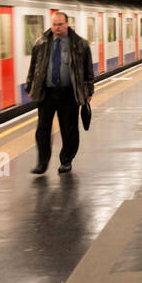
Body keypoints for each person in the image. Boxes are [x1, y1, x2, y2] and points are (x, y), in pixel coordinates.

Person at [25, 11, 94, 174]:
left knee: (69, 129)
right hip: (47, 93)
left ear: (67, 24)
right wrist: (29, 87)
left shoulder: (80, 44)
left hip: (69, 93)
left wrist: (89, 90)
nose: (57, 27)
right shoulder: (41, 42)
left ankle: (66, 160)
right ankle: (42, 162)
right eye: (54, 24)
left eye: (60, 24)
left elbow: (88, 70)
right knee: (42, 129)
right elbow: (33, 66)